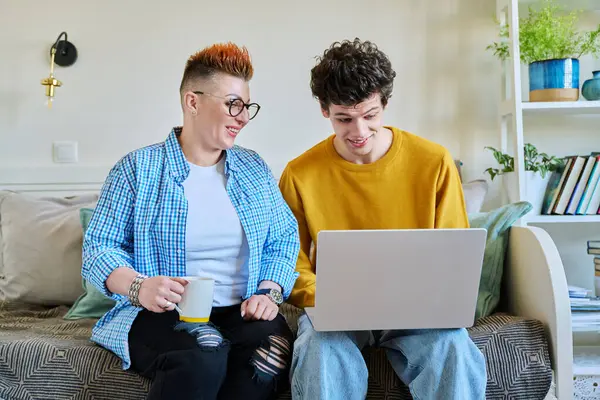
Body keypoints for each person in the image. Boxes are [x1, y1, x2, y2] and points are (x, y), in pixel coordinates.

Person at [82, 42, 300, 400]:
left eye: (247, 107)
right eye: (233, 104)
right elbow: (98, 249)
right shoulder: (138, 169)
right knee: (204, 351)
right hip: (163, 313)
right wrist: (140, 287)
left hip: (241, 309)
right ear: (192, 101)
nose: (243, 116)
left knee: (270, 355)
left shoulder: (254, 169)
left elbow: (283, 239)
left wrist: (269, 291)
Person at [278, 38, 487, 400]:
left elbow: (455, 251)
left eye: (370, 115)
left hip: (418, 313)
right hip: (335, 313)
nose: (358, 131)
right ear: (324, 110)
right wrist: (324, 297)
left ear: (385, 103)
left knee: (452, 347)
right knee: (319, 350)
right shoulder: (299, 174)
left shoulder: (434, 161)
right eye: (344, 118)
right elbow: (288, 260)